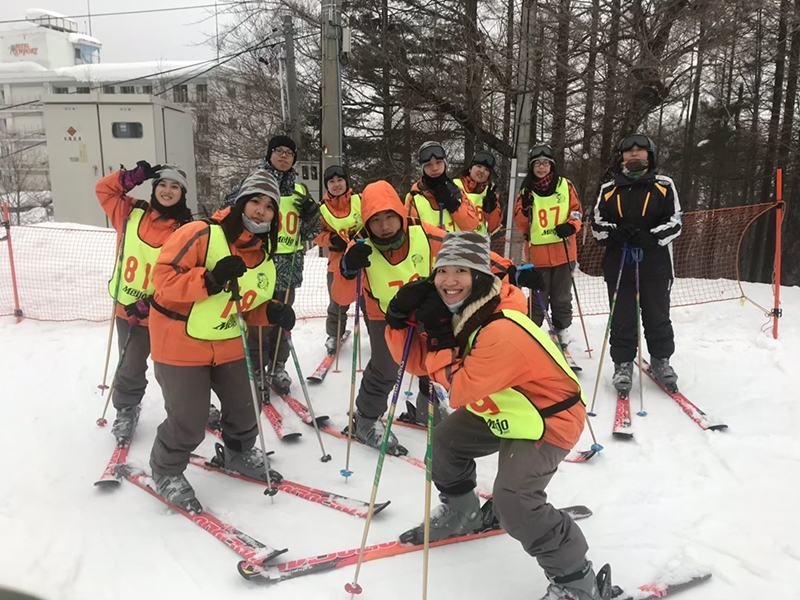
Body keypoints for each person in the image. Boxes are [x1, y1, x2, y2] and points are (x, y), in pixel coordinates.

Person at [385, 231, 609, 600]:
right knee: (445, 441)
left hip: (547, 417)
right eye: (442, 271)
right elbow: (417, 362)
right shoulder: (460, 312)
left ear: (482, 277)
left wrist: (439, 335)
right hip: (503, 407)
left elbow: (460, 388)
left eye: (462, 271)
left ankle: (576, 581)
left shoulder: (503, 326)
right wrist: (398, 322)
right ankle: (463, 513)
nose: (449, 280)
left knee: (514, 501)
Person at [148, 170, 296, 513]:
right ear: (240, 203)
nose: (261, 210)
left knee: (247, 406)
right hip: (180, 341)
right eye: (254, 201)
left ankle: (239, 452)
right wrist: (210, 279)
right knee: (189, 417)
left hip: (228, 339)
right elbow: (164, 279)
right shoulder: (200, 233)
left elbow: (247, 305)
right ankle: (166, 469)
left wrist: (271, 312)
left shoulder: (263, 255)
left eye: (269, 206)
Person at [331, 181, 515, 448]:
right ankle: (366, 419)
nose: (384, 226)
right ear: (367, 223)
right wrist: (348, 269)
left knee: (434, 358)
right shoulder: (360, 247)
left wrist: (511, 269)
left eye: (390, 216)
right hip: (385, 315)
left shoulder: (425, 234)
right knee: (386, 368)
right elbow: (341, 296)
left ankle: (425, 405)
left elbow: (465, 253)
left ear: (399, 213)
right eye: (376, 220)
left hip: (424, 310)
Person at [96, 161, 193, 447]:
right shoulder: (131, 212)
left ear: (182, 193)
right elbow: (104, 190)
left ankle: (189, 407)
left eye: (175, 186)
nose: (167, 190)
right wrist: (130, 178)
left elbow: (185, 272)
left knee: (177, 368)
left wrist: (155, 302)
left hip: (166, 312)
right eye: (162, 184)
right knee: (130, 365)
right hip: (129, 309)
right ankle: (126, 409)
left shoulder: (187, 228)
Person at [223, 135, 321, 396]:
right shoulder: (254, 183)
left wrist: (312, 212)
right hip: (259, 261)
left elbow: (313, 232)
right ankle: (255, 368)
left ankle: (278, 365)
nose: (284, 156)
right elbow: (228, 210)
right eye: (278, 151)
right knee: (257, 319)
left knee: (281, 318)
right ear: (269, 155)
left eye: (289, 152)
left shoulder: (300, 191)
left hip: (289, 264)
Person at [591, 133, 682, 397]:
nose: (633, 154)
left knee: (657, 315)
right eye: (628, 151)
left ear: (649, 155)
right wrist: (616, 233)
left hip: (655, 264)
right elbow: (597, 224)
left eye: (639, 150)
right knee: (622, 318)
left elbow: (675, 221)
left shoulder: (664, 185)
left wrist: (651, 237)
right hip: (620, 264)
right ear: (621, 156)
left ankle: (661, 360)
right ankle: (622, 364)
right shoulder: (609, 189)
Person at [513, 144, 584, 348]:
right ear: (532, 167)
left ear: (551, 165)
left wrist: (571, 226)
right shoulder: (526, 190)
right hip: (538, 254)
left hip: (564, 251)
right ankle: (532, 330)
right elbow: (521, 224)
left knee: (562, 296)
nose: (541, 168)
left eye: (545, 163)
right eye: (537, 164)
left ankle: (562, 330)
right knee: (537, 298)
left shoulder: (565, 185)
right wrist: (524, 209)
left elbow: (577, 210)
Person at [313, 165, 363, 354]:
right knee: (337, 300)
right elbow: (315, 233)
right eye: (331, 181)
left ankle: (378, 333)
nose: (336, 185)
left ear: (346, 182)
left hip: (364, 257)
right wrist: (331, 239)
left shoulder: (360, 200)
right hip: (337, 259)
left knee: (369, 298)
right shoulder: (322, 209)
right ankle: (334, 334)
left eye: (339, 180)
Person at [405, 141, 480, 233]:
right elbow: (410, 234)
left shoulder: (457, 191)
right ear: (423, 169)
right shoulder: (414, 198)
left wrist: (452, 204)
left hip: (457, 246)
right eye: (428, 164)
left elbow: (473, 225)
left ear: (445, 164)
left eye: (438, 162)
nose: (435, 168)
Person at [453, 150, 504, 236]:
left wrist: (492, 209)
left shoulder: (490, 194)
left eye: (486, 169)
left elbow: (493, 228)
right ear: (470, 168)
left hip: (479, 244)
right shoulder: (454, 186)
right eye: (478, 166)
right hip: (456, 241)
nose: (481, 171)